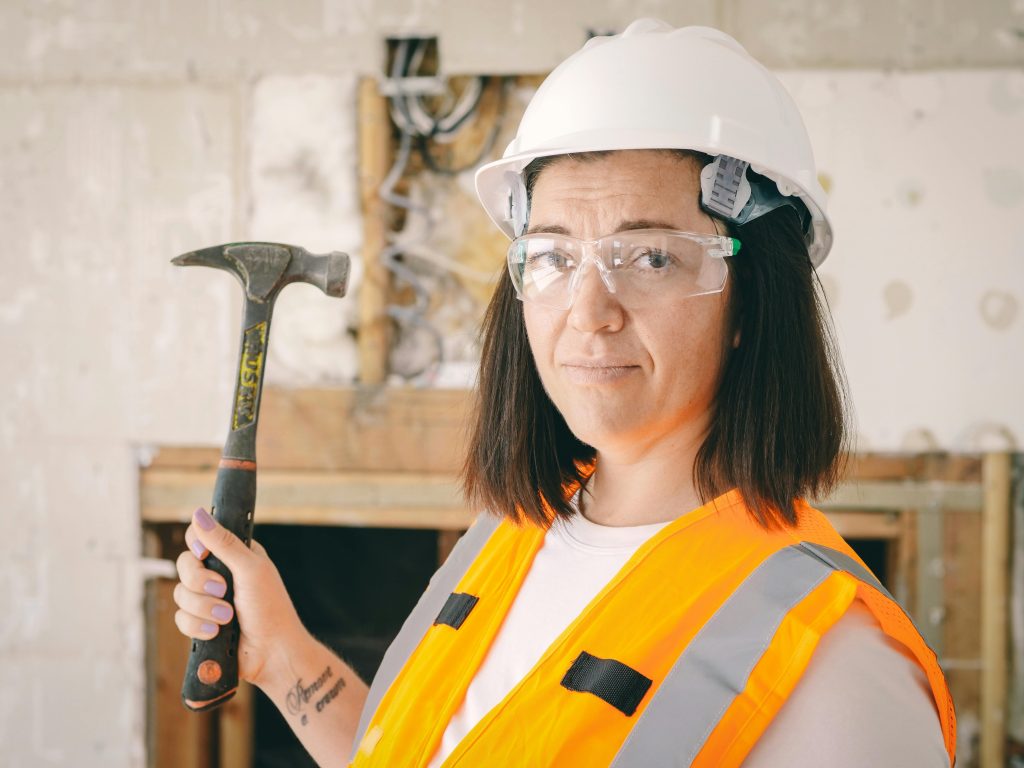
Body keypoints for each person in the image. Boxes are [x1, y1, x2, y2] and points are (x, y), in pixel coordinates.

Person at [173, 19, 957, 767]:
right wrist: (280, 657)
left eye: (650, 257)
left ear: (753, 299)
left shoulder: (835, 667)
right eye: (551, 255)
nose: (587, 312)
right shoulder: (514, 535)